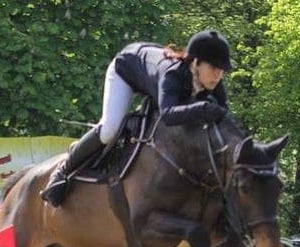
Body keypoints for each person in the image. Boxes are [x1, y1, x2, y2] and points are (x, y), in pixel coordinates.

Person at [40, 30, 233, 207]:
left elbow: (222, 118)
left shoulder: (214, 83)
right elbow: (169, 115)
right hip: (126, 70)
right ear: (196, 62)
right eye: (213, 68)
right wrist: (204, 108)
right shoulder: (172, 74)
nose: (218, 75)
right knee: (109, 130)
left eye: (222, 70)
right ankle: (63, 171)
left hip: (150, 74)